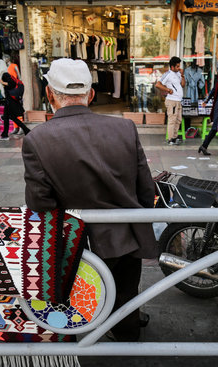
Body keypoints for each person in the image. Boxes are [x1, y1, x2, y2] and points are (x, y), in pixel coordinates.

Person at [22, 58, 157, 342]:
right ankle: (126, 329)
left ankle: (90, 331)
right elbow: (145, 189)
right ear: (91, 94)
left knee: (83, 289)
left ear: (49, 95)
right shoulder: (125, 128)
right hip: (125, 234)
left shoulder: (37, 139)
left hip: (76, 241)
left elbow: (40, 204)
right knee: (125, 290)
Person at [155, 56, 185, 145]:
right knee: (172, 120)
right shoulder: (168, 74)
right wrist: (167, 90)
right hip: (172, 101)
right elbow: (158, 84)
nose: (179, 68)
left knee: (178, 120)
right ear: (172, 67)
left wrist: (182, 75)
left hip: (178, 101)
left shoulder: (178, 74)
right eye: (177, 66)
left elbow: (182, 85)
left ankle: (175, 138)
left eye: (179, 66)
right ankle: (170, 139)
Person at [0, 73, 30, 140]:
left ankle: (5, 135)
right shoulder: (11, 80)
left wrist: (2, 82)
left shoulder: (10, 81)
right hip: (10, 103)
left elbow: (11, 84)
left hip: (10, 103)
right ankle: (26, 130)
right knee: (11, 118)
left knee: (9, 118)